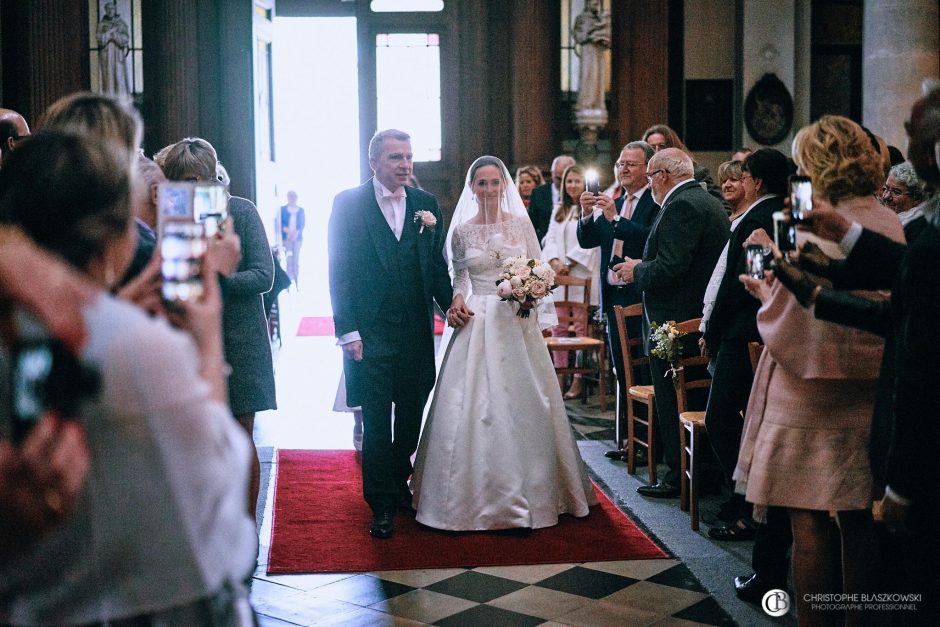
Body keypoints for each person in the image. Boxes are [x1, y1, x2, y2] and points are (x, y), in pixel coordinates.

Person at [0, 131, 256, 624]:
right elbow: (218, 482)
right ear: (118, 232)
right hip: (146, 605)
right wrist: (206, 337)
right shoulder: (137, 348)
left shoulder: (20, 330)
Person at [734, 115, 904, 626]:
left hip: (806, 393)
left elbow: (789, 314)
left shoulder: (809, 218)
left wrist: (766, 290)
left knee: (808, 522)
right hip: (870, 389)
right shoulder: (886, 220)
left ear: (814, 162)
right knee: (857, 519)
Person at [411, 155, 596, 531]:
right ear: (472, 188)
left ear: (504, 186)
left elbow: (538, 268)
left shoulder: (520, 225)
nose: (489, 189)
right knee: (469, 402)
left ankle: (535, 492)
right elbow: (460, 278)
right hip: (477, 321)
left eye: (495, 182)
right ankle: (465, 496)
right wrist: (457, 300)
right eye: (482, 183)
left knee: (523, 399)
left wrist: (532, 294)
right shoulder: (461, 230)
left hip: (515, 320)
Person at [328, 129, 453, 539]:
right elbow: (339, 270)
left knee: (414, 411)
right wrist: (347, 331)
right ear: (374, 162)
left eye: (408, 157)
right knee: (377, 423)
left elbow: (435, 268)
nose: (405, 165)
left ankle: (399, 478)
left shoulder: (425, 205)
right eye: (396, 157)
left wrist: (452, 303)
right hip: (370, 334)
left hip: (416, 333)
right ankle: (380, 504)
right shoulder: (348, 205)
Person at [160, 137, 276, 522]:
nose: (191, 188)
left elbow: (263, 275)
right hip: (188, 341)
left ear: (211, 176)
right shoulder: (171, 215)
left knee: (241, 442)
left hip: (240, 342)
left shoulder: (239, 211)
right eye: (181, 181)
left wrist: (214, 282)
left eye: (197, 179)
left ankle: (246, 532)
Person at [612, 147, 728, 498]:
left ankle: (682, 476)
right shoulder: (703, 199)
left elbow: (671, 267)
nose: (649, 185)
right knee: (689, 398)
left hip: (677, 321)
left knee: (675, 400)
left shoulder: (683, 205)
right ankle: (694, 472)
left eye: (649, 177)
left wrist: (637, 270)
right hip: (688, 317)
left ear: (663, 175)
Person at [700, 149, 791, 542]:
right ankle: (746, 500)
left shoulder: (755, 219)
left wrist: (712, 329)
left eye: (747, 175)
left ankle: (747, 503)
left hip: (742, 331)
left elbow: (745, 286)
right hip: (762, 328)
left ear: (757, 181)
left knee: (721, 418)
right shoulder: (786, 214)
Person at [578, 141, 658, 461]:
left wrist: (615, 219)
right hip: (613, 298)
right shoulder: (618, 200)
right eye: (619, 164)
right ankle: (626, 440)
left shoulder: (654, 202)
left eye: (630, 164)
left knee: (642, 371)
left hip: (638, 297)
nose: (622, 169)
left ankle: (646, 443)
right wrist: (586, 215)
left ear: (648, 170)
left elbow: (649, 238)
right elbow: (588, 240)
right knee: (620, 371)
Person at [543, 163, 599, 399]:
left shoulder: (591, 209)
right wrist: (555, 262)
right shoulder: (559, 209)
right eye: (569, 181)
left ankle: (577, 379)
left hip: (580, 274)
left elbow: (591, 241)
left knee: (579, 327)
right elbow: (551, 238)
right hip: (559, 276)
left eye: (577, 181)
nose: (572, 185)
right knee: (559, 327)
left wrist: (571, 262)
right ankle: (559, 375)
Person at [643, 124, 723, 205]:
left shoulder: (697, 173)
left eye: (662, 146)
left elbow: (719, 206)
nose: (657, 151)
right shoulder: (643, 177)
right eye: (652, 147)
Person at [572, 0, 611, 115]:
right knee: (588, 75)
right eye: (594, 2)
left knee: (597, 76)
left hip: (598, 53)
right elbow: (578, 35)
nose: (596, 5)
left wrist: (603, 38)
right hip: (587, 53)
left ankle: (597, 102)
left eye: (598, 3)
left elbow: (608, 38)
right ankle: (585, 103)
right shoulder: (582, 19)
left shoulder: (600, 19)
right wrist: (588, 35)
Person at [880, 160, 931, 243]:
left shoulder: (915, 229)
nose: (886, 196)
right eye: (886, 189)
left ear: (916, 198)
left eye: (896, 192)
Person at [528, 155, 575, 243]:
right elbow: (530, 226)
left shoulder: (578, 196)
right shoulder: (538, 193)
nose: (562, 182)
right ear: (552, 173)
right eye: (559, 178)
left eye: (567, 179)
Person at [96, 1, 131, 98]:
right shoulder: (101, 24)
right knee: (108, 77)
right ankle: (108, 100)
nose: (110, 11)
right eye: (108, 9)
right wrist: (109, 33)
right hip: (106, 54)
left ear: (115, 10)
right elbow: (99, 39)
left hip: (118, 53)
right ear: (105, 11)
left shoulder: (121, 24)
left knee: (119, 77)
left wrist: (115, 36)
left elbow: (126, 39)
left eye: (112, 9)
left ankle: (121, 100)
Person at [279, 190, 306, 286]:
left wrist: (296, 233)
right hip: (286, 238)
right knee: (288, 259)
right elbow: (279, 223)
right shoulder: (282, 209)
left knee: (296, 259)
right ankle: (288, 281)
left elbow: (302, 224)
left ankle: (296, 280)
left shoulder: (301, 210)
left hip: (298, 239)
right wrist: (287, 231)